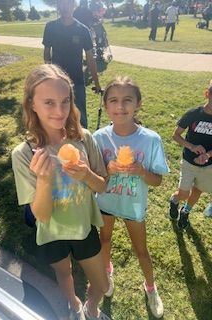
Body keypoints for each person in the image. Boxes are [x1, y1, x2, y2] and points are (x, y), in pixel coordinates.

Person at [12, 64, 111, 320]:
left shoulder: (84, 138)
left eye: (65, 101)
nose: (59, 111)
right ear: (32, 104)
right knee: (64, 273)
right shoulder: (24, 154)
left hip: (82, 226)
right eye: (48, 102)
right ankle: (74, 305)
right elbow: (41, 216)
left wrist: (87, 175)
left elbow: (102, 185)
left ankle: (91, 307)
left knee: (101, 284)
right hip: (52, 232)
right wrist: (44, 180)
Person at [93, 76, 169, 319]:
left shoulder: (150, 139)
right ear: (106, 106)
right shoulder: (99, 137)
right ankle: (106, 272)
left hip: (133, 205)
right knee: (104, 241)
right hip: (106, 201)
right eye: (113, 100)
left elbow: (157, 181)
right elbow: (94, 177)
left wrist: (142, 171)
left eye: (127, 100)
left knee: (141, 251)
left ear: (138, 104)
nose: (120, 106)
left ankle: (151, 288)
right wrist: (109, 169)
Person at [42, 0, 101, 129]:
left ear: (73, 6)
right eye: (62, 4)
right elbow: (47, 53)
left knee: (81, 118)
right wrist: (48, 75)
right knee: (59, 116)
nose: (65, 7)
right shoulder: (50, 27)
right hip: (57, 81)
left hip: (77, 81)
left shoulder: (83, 30)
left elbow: (90, 58)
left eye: (68, 4)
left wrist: (96, 83)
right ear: (58, 6)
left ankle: (84, 144)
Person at [169, 80, 212, 230]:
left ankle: (186, 211)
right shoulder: (193, 114)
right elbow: (176, 135)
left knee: (198, 190)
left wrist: (207, 154)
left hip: (208, 165)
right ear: (207, 94)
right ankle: (174, 200)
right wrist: (192, 146)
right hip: (188, 162)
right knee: (183, 193)